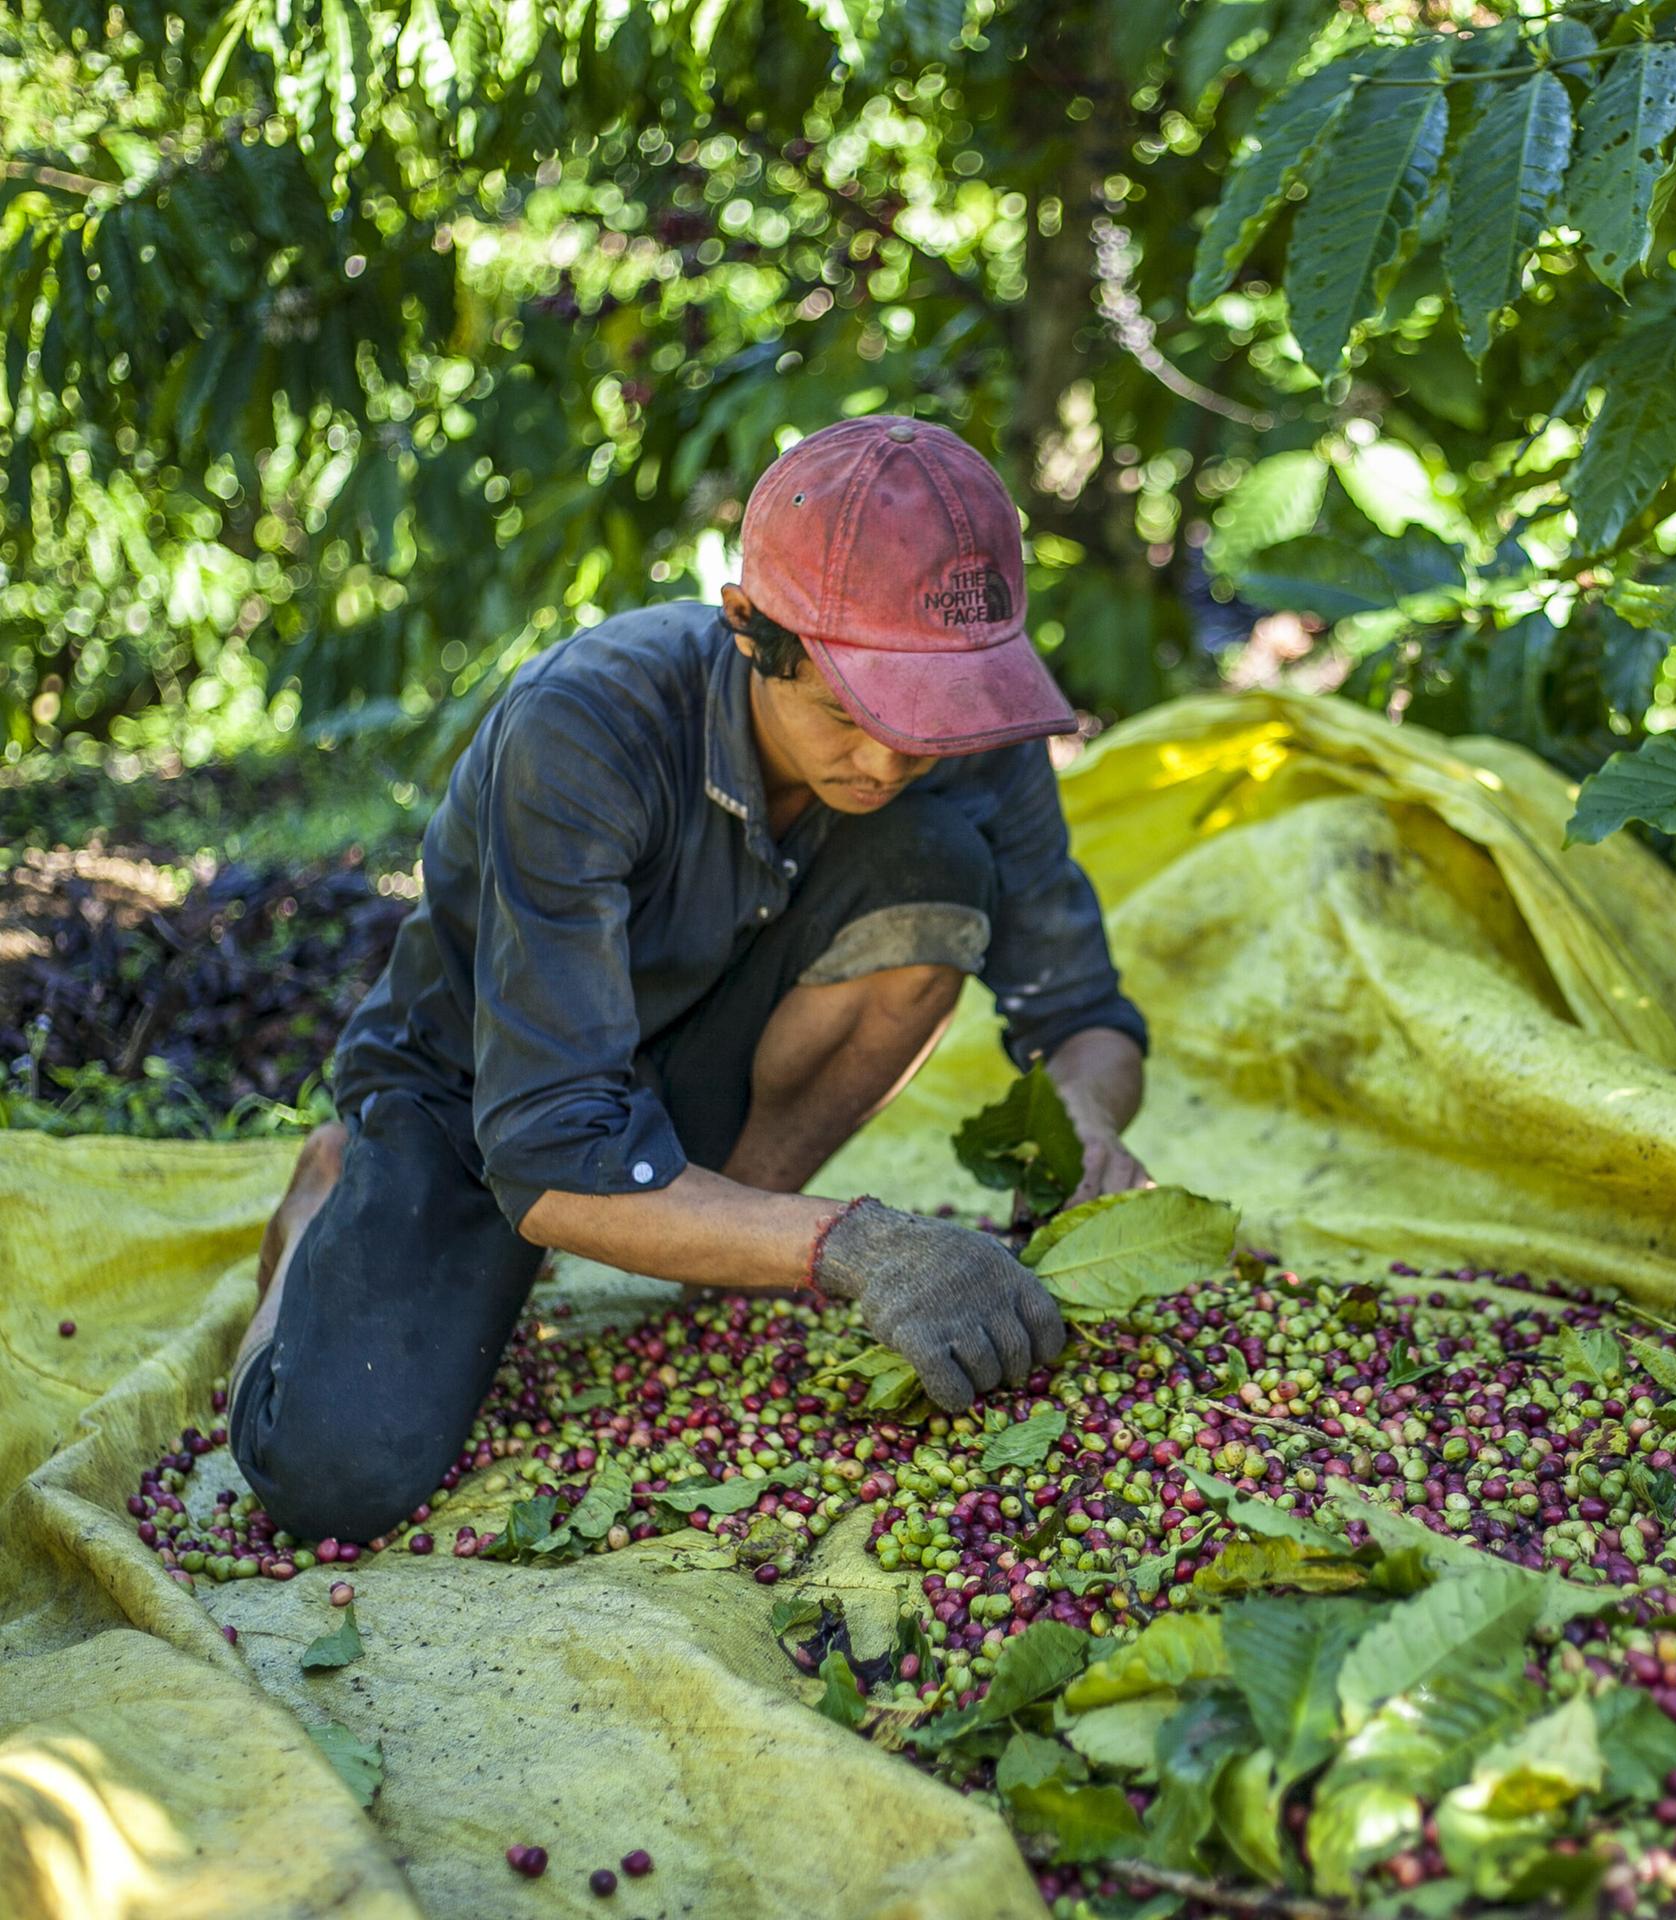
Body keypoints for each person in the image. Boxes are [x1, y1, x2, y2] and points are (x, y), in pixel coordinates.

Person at [231, 415, 1151, 1544]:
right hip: (485, 1095)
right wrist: (857, 1245)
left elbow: (1081, 1014)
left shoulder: (971, 723)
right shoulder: (587, 726)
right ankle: (335, 1185)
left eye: (930, 730)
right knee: (331, 1479)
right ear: (749, 630)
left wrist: (1086, 1128)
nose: (889, 761)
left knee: (937, 863)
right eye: (850, 716)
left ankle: (715, 1236)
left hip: (696, 1057)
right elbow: (554, 1156)